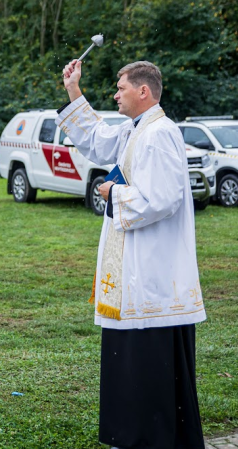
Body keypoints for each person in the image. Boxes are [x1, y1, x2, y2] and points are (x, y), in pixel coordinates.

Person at [58, 59, 206, 449]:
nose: (115, 94)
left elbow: (163, 199)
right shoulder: (137, 129)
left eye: (120, 88)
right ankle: (140, 436)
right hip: (138, 272)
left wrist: (113, 194)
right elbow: (98, 140)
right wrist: (74, 89)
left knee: (151, 367)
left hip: (154, 275)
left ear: (144, 91)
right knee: (136, 365)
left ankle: (154, 438)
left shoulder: (160, 134)